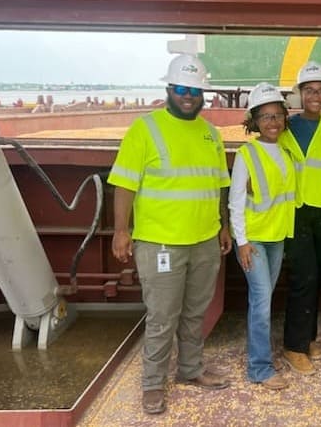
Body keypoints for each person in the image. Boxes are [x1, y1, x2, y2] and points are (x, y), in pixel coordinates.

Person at [108, 53, 232, 415]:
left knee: (195, 312)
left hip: (205, 239)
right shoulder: (145, 129)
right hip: (160, 241)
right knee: (163, 316)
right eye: (181, 88)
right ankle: (152, 385)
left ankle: (190, 370)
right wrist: (120, 231)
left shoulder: (211, 133)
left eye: (195, 90)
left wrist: (222, 225)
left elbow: (219, 185)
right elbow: (124, 185)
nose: (189, 95)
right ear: (169, 88)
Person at [278, 61, 321, 375]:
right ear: (299, 94)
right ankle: (294, 346)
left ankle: (309, 336)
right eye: (309, 90)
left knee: (317, 276)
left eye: (320, 90)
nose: (315, 96)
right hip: (295, 212)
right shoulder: (284, 127)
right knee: (303, 278)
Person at [229, 82, 297, 390]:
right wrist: (241, 241)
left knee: (264, 299)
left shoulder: (285, 151)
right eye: (265, 116)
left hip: (277, 236)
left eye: (277, 115)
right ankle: (260, 367)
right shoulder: (247, 154)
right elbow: (236, 201)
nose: (273, 122)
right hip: (254, 240)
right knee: (260, 301)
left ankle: (262, 357)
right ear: (254, 121)